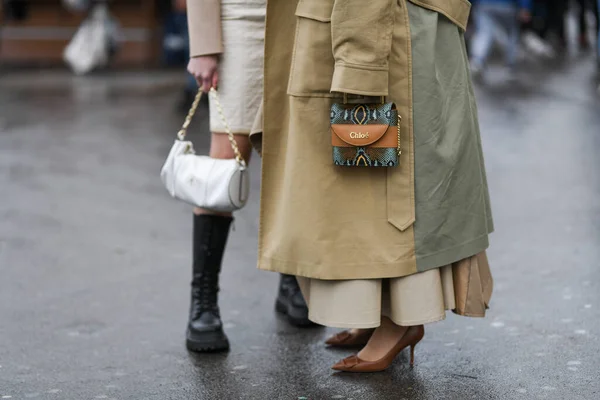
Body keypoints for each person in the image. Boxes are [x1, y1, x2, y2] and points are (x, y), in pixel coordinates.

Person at [252, 0, 494, 372]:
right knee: (363, 193)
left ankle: (401, 320)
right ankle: (379, 313)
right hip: (368, 25)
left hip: (377, 28)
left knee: (386, 192)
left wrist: (360, 63)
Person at [184, 0, 314, 353]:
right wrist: (204, 45)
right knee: (226, 165)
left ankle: (292, 278)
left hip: (308, 16)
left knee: (297, 156)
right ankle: (204, 301)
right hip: (242, 17)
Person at [469, 0, 533, 80]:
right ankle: (510, 65)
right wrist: (525, 7)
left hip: (484, 4)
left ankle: (477, 61)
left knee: (484, 32)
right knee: (511, 34)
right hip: (508, 6)